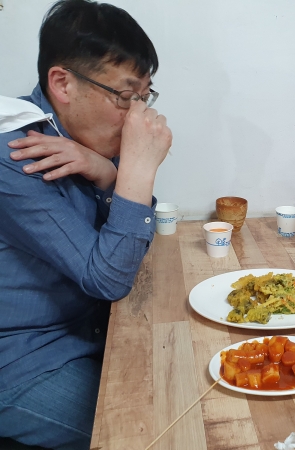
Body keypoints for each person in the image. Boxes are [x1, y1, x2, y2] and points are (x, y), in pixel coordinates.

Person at [0, 1, 172, 448]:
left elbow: (134, 250)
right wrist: (135, 169)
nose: (137, 114)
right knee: (158, 435)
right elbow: (109, 278)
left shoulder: (78, 138)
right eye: (125, 96)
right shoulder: (13, 154)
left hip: (90, 333)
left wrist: (109, 176)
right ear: (63, 83)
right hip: (22, 359)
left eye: (145, 96)